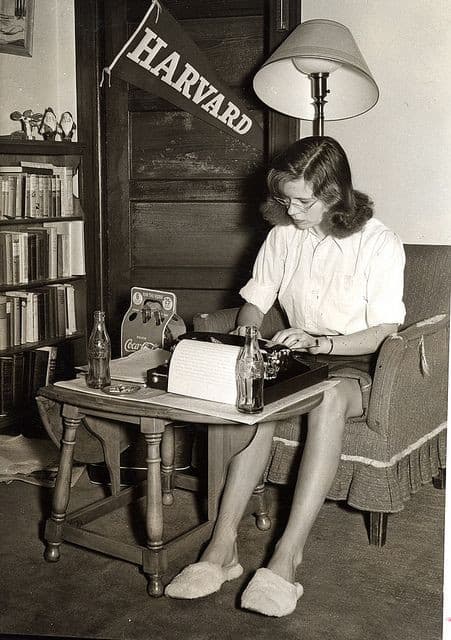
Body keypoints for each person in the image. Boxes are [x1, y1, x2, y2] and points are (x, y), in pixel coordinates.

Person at [165, 136, 406, 617]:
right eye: (284, 198)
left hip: (353, 360)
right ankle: (223, 546)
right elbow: (255, 301)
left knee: (330, 397)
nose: (291, 209)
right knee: (261, 393)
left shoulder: (378, 242)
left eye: (303, 200)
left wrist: (322, 344)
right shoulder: (282, 236)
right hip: (298, 353)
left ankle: (285, 558)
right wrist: (251, 340)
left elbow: (384, 330)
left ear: (335, 192)